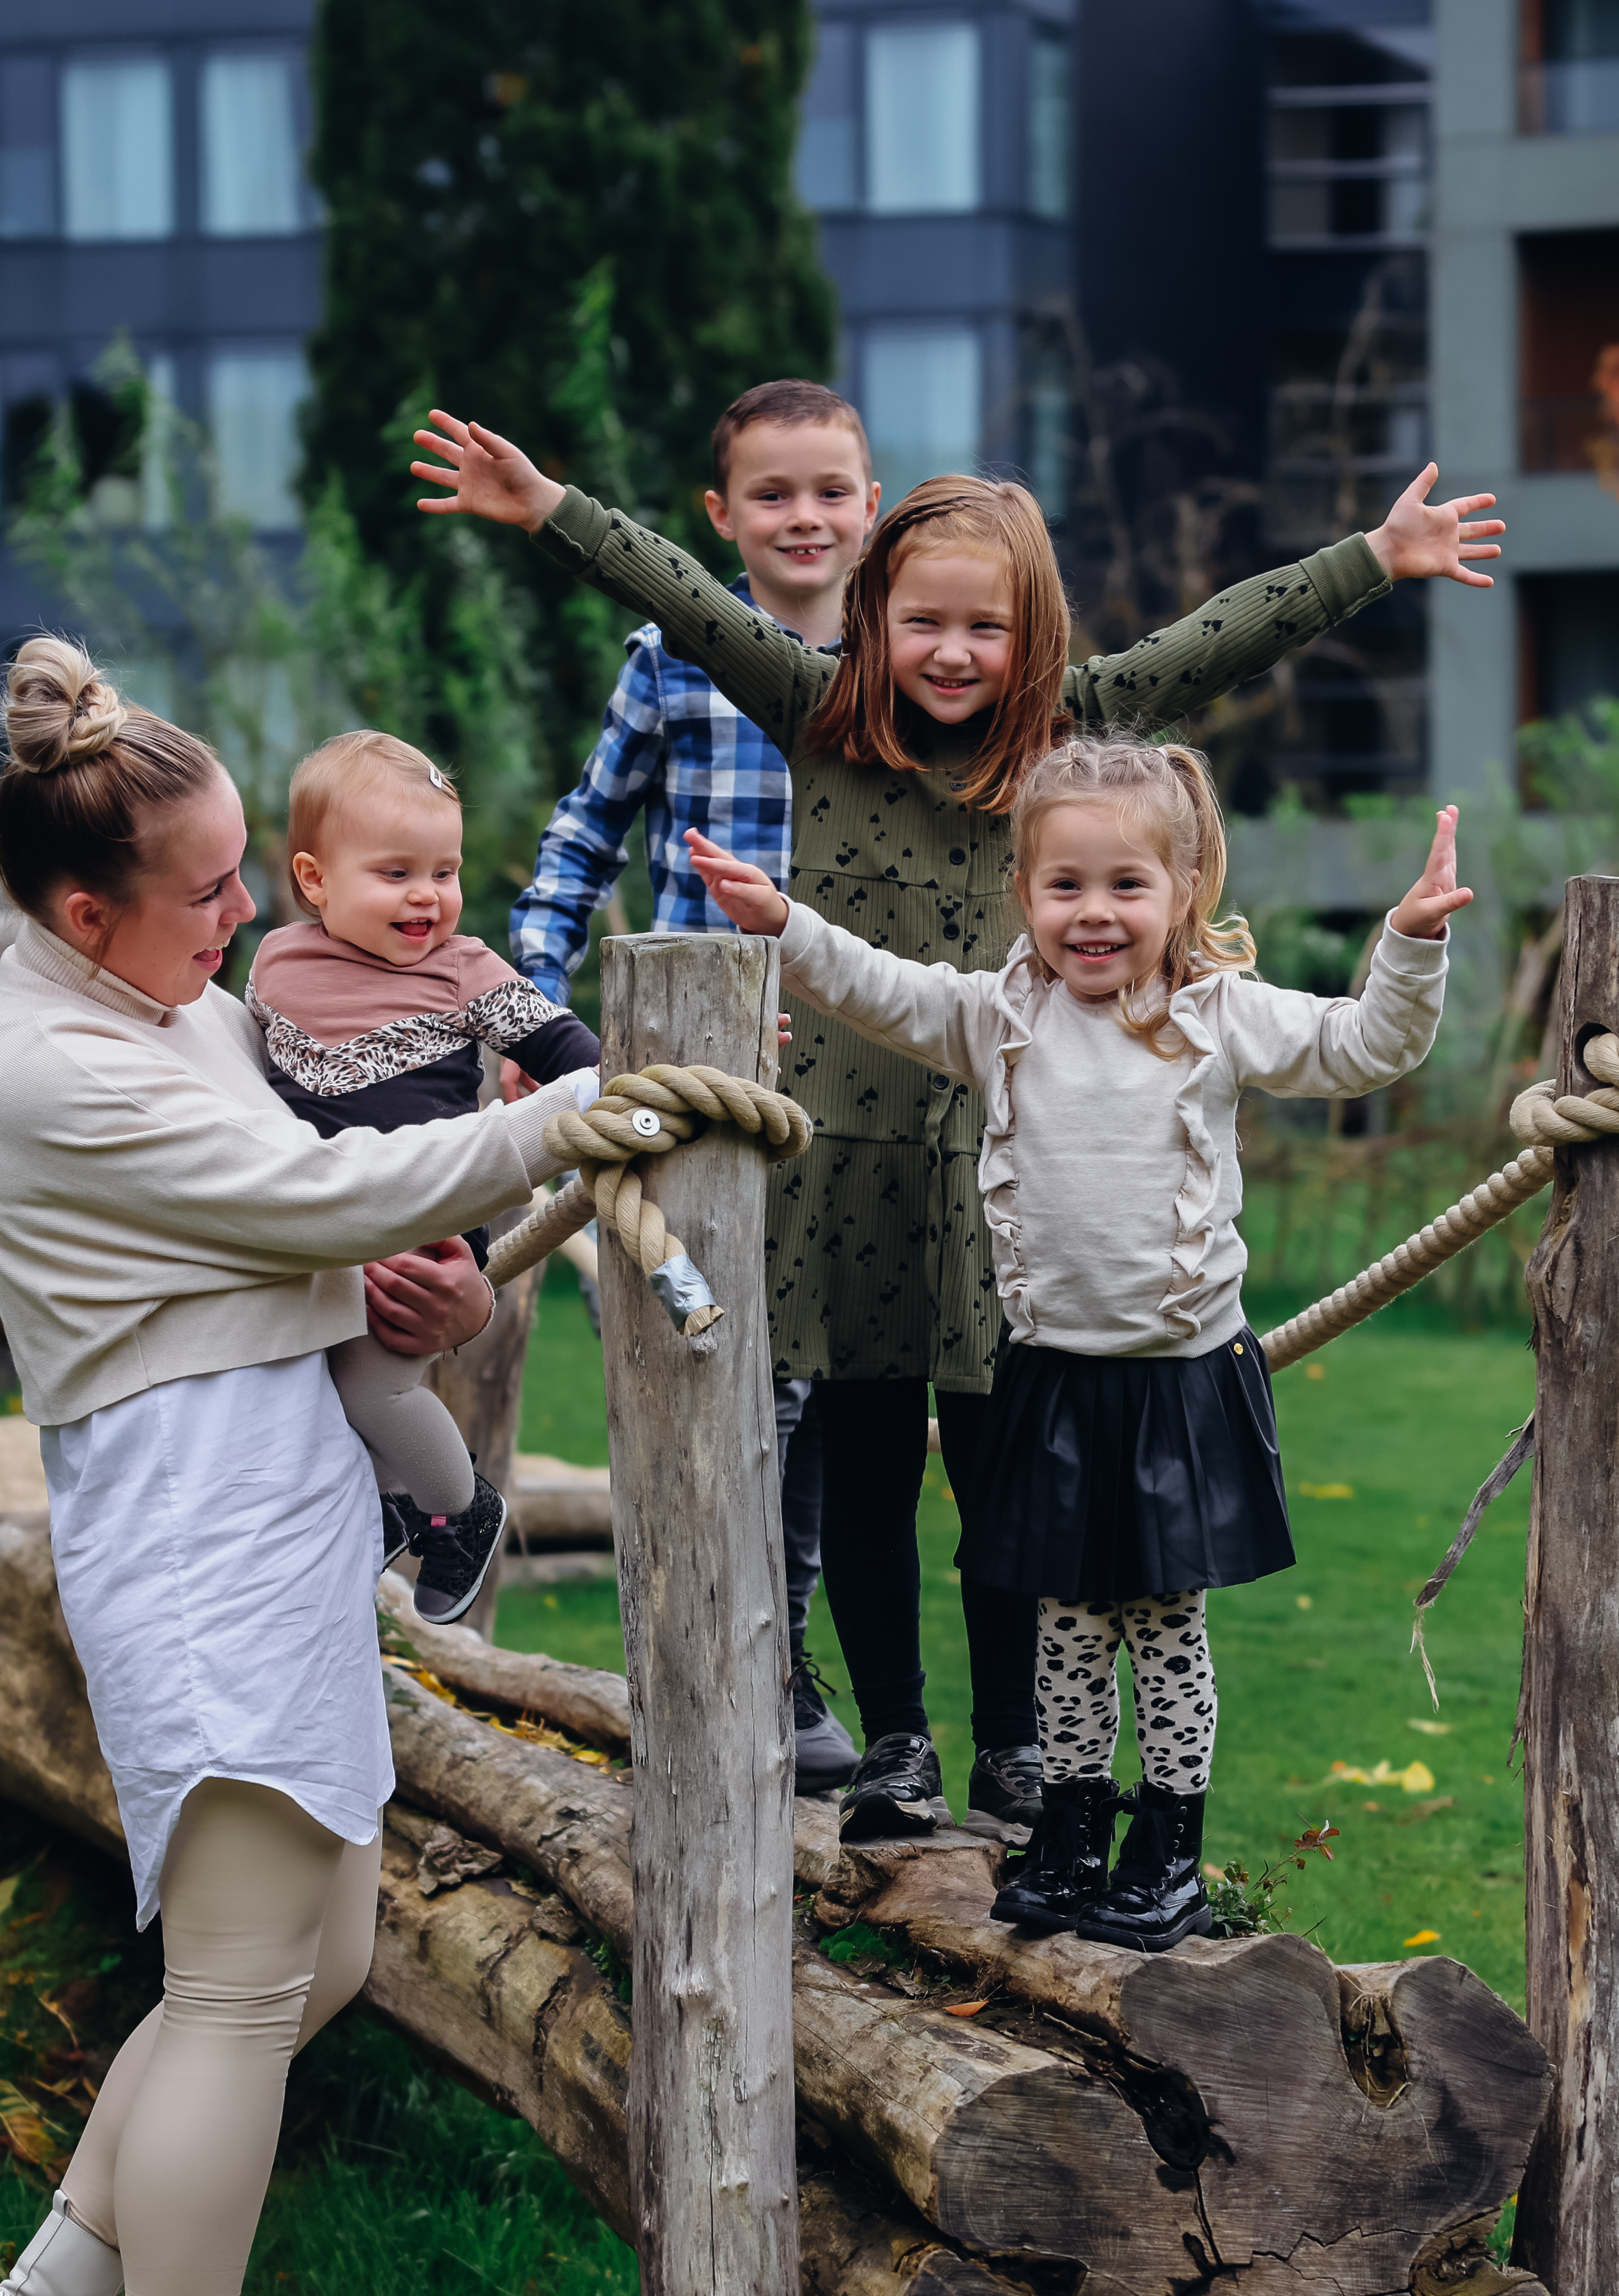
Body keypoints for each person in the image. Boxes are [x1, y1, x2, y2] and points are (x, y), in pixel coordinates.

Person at [417, 407, 1503, 1844]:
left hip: (1014, 1177)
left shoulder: (1065, 738)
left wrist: (1377, 554)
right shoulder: (813, 707)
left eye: (983, 629)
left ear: (1030, 634)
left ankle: (1012, 1753)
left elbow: (1228, 639)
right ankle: (898, 1747)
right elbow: (678, 591)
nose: (950, 653)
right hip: (848, 1163)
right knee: (864, 1471)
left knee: (1008, 1480)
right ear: (874, 615)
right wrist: (550, 503)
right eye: (922, 622)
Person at [0, 636, 604, 2296]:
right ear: (79, 908)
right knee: (229, 1987)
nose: (241, 918)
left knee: (324, 1953)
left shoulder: (169, 1008)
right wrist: (565, 1119)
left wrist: (434, 1285)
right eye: (204, 891)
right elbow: (309, 1201)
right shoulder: (43, 1068)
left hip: (280, 1512)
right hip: (196, 1531)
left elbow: (313, 1213)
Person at [677, 736, 1470, 1950]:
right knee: (1064, 1628)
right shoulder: (999, 1018)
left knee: (1161, 1628)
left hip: (1175, 1388)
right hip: (1052, 1381)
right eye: (1064, 886)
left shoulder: (1216, 1018)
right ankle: (1063, 1828)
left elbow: (1368, 1046)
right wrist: (784, 922)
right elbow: (877, 986)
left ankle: (1167, 1848)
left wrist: (1407, 944)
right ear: (1025, 893)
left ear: (1182, 892)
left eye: (1124, 886)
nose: (1092, 914)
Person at [506, 379, 880, 1793]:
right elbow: (588, 831)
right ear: (721, 516)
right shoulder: (674, 654)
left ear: (871, 505)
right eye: (772, 494)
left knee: (845, 1379)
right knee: (735, 1366)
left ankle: (814, 1665)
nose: (803, 517)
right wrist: (529, 996)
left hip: (857, 1063)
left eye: (829, 490)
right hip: (702, 1063)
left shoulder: (908, 656)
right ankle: (753, 1667)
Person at [246, 728, 601, 1623]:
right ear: (314, 879)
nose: (427, 897)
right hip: (317, 1227)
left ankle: (462, 1506)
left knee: (377, 1384)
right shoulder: (278, 963)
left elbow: (580, 1055)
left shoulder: (464, 970)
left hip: (423, 1227)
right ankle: (393, 1502)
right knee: (318, 1388)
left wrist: (687, 1064)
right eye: (396, 872)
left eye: (444, 871)